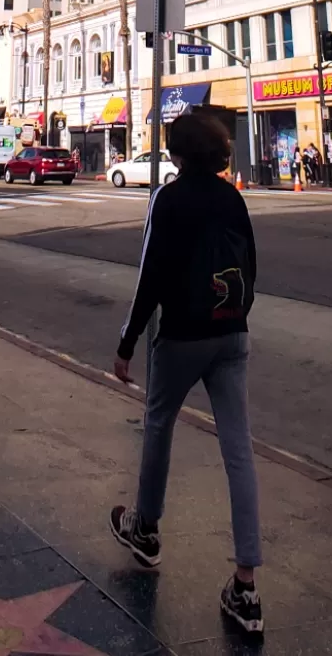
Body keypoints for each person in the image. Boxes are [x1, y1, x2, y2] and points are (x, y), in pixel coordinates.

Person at [109, 111, 264, 636]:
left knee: (159, 423)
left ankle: (146, 528)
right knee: (239, 451)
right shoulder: (233, 197)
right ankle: (245, 585)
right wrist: (235, 320)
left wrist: (128, 342)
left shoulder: (169, 199)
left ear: (178, 153)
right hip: (232, 332)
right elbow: (252, 266)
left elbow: (150, 274)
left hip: (181, 337)